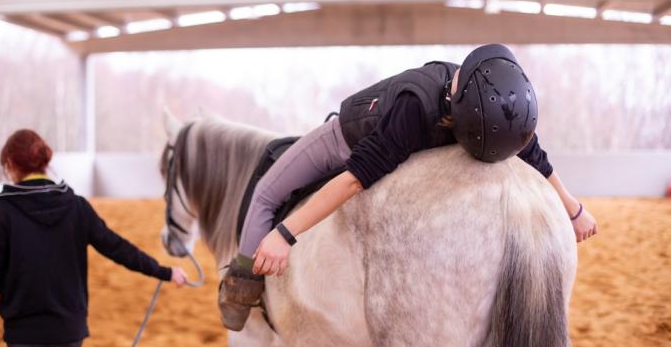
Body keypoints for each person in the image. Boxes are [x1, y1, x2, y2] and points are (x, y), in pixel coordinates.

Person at [218, 44, 599, 331]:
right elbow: (353, 178)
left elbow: (535, 156)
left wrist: (572, 209)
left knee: (266, 193)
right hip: (344, 138)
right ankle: (246, 280)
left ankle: (241, 283)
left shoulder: (500, 109)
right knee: (268, 190)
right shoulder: (413, 110)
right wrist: (284, 235)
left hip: (370, 137)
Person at [0, 129, 188, 347]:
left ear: (10, 163)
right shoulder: (77, 206)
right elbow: (117, 247)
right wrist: (164, 272)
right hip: (70, 331)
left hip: (24, 334)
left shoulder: (3, 209)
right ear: (44, 161)